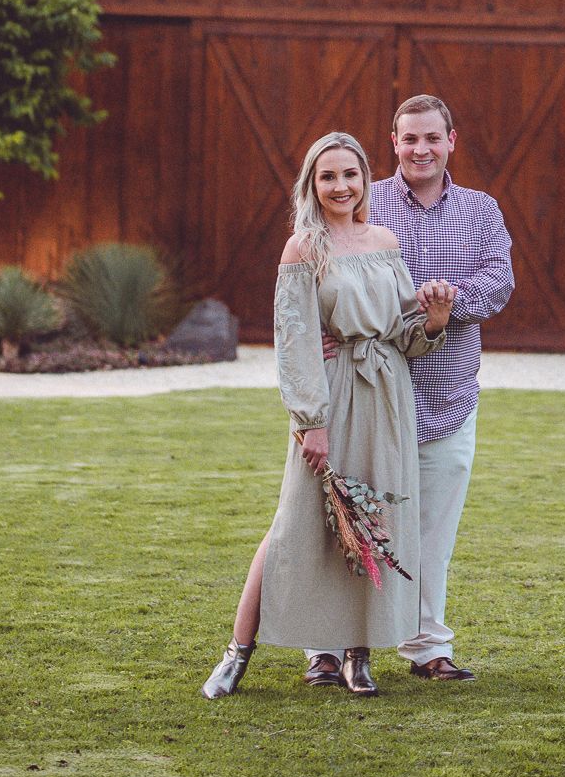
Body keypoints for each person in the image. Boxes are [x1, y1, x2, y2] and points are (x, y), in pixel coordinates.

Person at [201, 131, 458, 699]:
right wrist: (309, 420)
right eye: (328, 176)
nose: (341, 186)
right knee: (295, 525)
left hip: (387, 394)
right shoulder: (303, 249)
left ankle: (356, 656)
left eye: (350, 175)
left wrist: (434, 320)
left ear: (365, 180)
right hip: (334, 394)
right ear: (312, 186)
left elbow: (404, 335)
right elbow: (293, 341)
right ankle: (236, 652)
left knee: (370, 521)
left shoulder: (385, 242)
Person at [305, 93, 514, 687]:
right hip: (367, 397)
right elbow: (319, 270)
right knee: (344, 521)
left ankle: (427, 648)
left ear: (452, 141)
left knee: (431, 534)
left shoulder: (481, 210)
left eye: (432, 138)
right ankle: (326, 647)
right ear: (393, 144)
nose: (420, 149)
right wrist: (327, 333)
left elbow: (497, 281)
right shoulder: (365, 200)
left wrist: (446, 307)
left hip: (446, 396)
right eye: (408, 139)